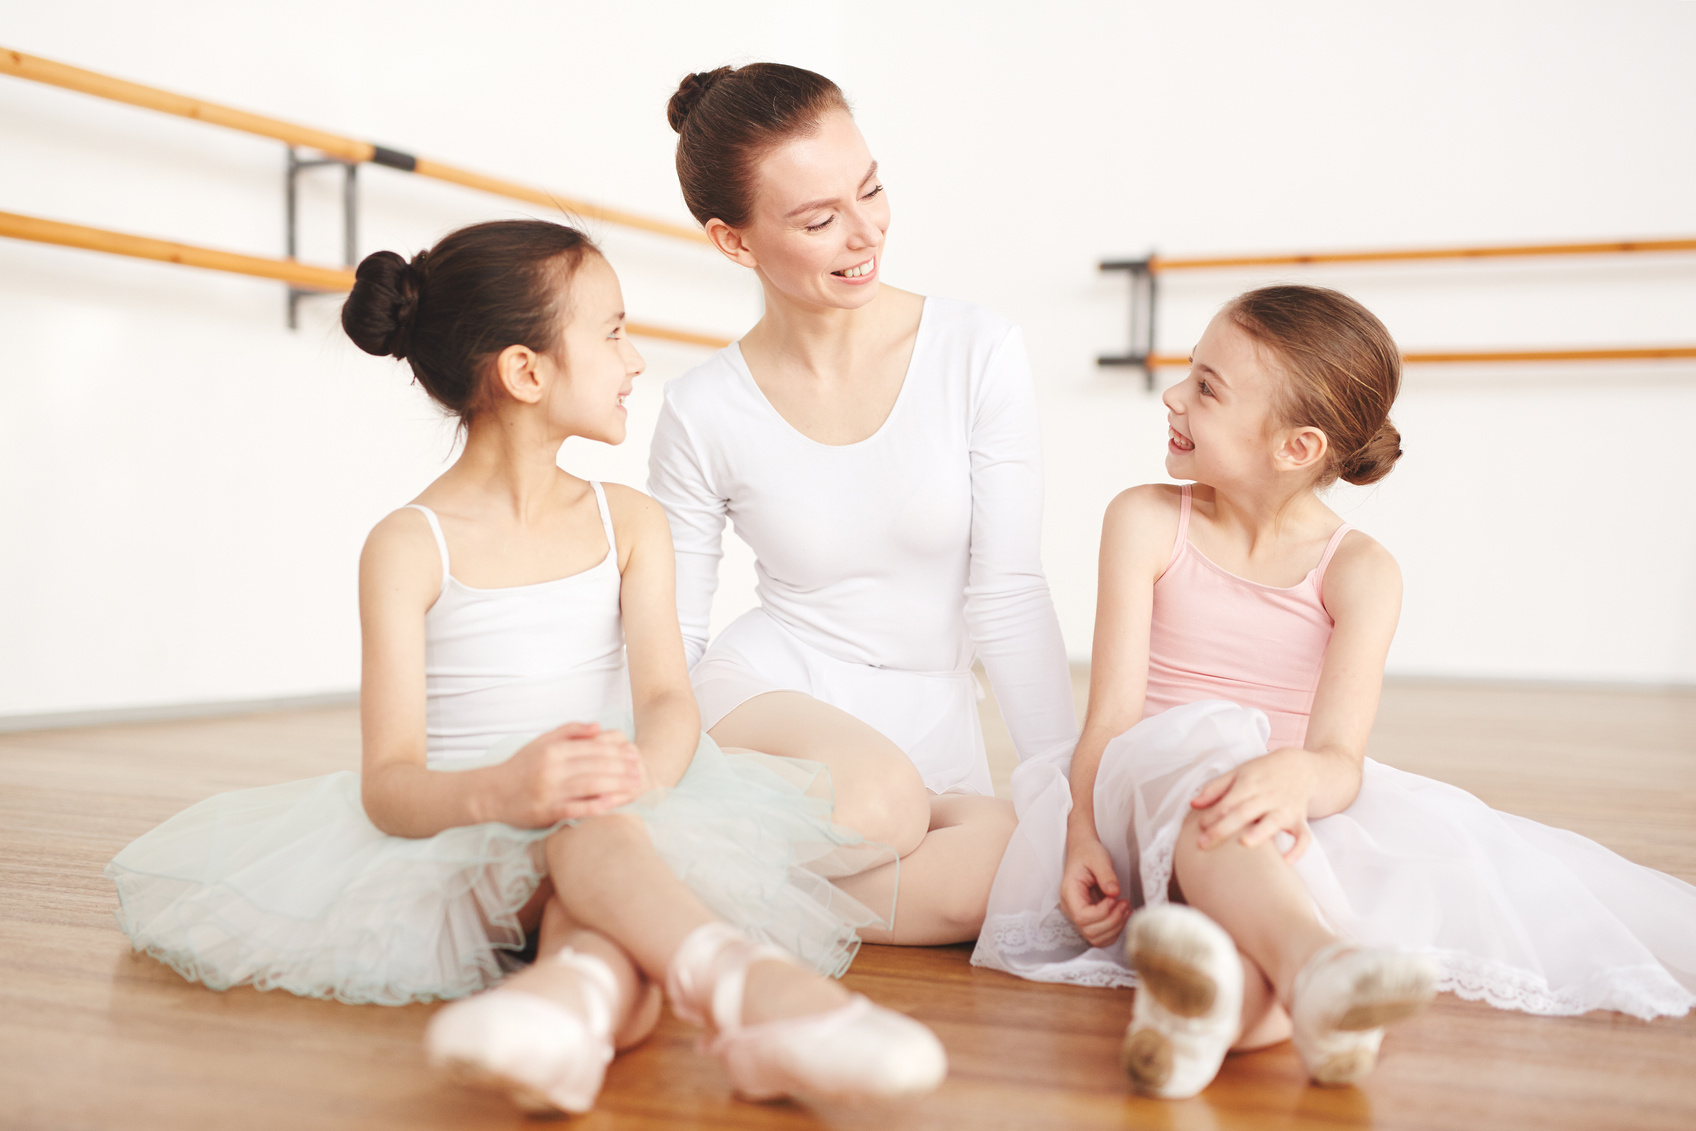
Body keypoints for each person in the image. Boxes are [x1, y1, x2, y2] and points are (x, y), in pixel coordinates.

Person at [105, 219, 946, 1114]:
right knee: (582, 835)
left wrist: (641, 784)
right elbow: (388, 784)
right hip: (465, 843)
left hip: (621, 815)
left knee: (596, 864)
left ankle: (565, 1012)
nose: (634, 361)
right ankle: (760, 996)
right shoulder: (408, 545)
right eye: (614, 332)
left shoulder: (630, 523)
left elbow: (667, 698)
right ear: (526, 371)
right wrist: (507, 792)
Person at [974, 284, 1696, 1098]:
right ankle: (1322, 964)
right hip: (1134, 791)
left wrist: (1295, 777)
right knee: (1209, 763)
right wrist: (1080, 833)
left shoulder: (1361, 571)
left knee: (1235, 846)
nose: (1175, 394)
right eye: (1189, 371)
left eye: (1206, 387)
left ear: (1295, 446)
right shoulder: (1145, 519)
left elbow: (1338, 758)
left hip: (1262, 811)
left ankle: (1218, 1013)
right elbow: (1109, 716)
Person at [648, 63, 1078, 944]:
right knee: (881, 804)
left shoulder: (977, 351)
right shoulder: (702, 408)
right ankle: (648, 848)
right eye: (819, 219)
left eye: (871, 189)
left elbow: (1008, 592)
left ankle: (675, 885)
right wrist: (644, 761)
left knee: (1006, 856)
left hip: (928, 721)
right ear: (735, 243)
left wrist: (1070, 795)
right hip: (772, 701)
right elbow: (673, 638)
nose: (866, 231)